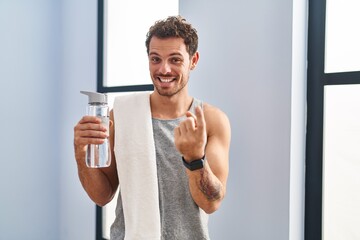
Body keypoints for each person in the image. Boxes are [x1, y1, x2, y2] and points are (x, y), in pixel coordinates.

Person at [74, 15, 231, 239]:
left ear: (193, 60)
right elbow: (102, 196)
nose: (164, 69)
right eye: (155, 59)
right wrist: (81, 152)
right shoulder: (121, 114)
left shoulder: (211, 121)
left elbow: (211, 203)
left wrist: (195, 159)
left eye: (175, 60)